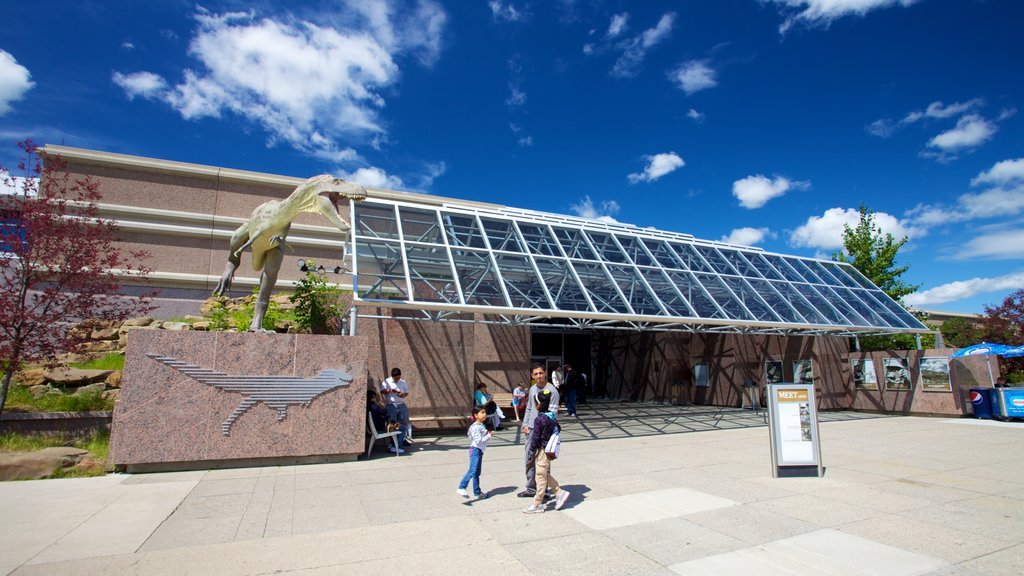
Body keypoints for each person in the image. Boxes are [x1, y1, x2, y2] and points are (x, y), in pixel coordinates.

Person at [523, 389, 570, 514]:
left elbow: (535, 438)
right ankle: (559, 492)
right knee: (543, 473)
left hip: (543, 450)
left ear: (538, 404)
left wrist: (531, 452)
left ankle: (537, 503)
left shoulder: (539, 419)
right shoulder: (551, 416)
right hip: (549, 449)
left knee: (540, 476)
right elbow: (558, 428)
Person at [518, 362, 560, 499]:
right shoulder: (532, 389)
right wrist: (525, 424)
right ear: (532, 375)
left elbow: (553, 414)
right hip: (530, 429)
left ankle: (544, 490)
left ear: (545, 373)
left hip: (544, 432)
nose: (539, 376)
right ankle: (531, 488)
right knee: (529, 459)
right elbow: (529, 408)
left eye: (541, 373)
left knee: (543, 462)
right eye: (535, 374)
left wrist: (546, 432)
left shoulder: (552, 391)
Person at [457, 405, 493, 499]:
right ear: (476, 415)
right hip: (475, 450)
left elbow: (470, 435)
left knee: (476, 472)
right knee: (473, 470)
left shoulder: (480, 425)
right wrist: (488, 436)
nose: (484, 414)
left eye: (485, 412)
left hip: (479, 450)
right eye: (482, 412)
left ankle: (477, 492)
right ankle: (462, 487)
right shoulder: (476, 426)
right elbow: (478, 440)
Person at [381, 368, 410, 452]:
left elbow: (406, 393)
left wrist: (401, 393)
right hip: (391, 404)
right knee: (392, 423)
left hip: (400, 403)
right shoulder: (387, 381)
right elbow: (382, 391)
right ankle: (392, 442)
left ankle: (401, 440)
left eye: (398, 377)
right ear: (392, 376)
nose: (397, 379)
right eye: (396, 378)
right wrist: (388, 391)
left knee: (404, 421)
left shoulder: (403, 382)